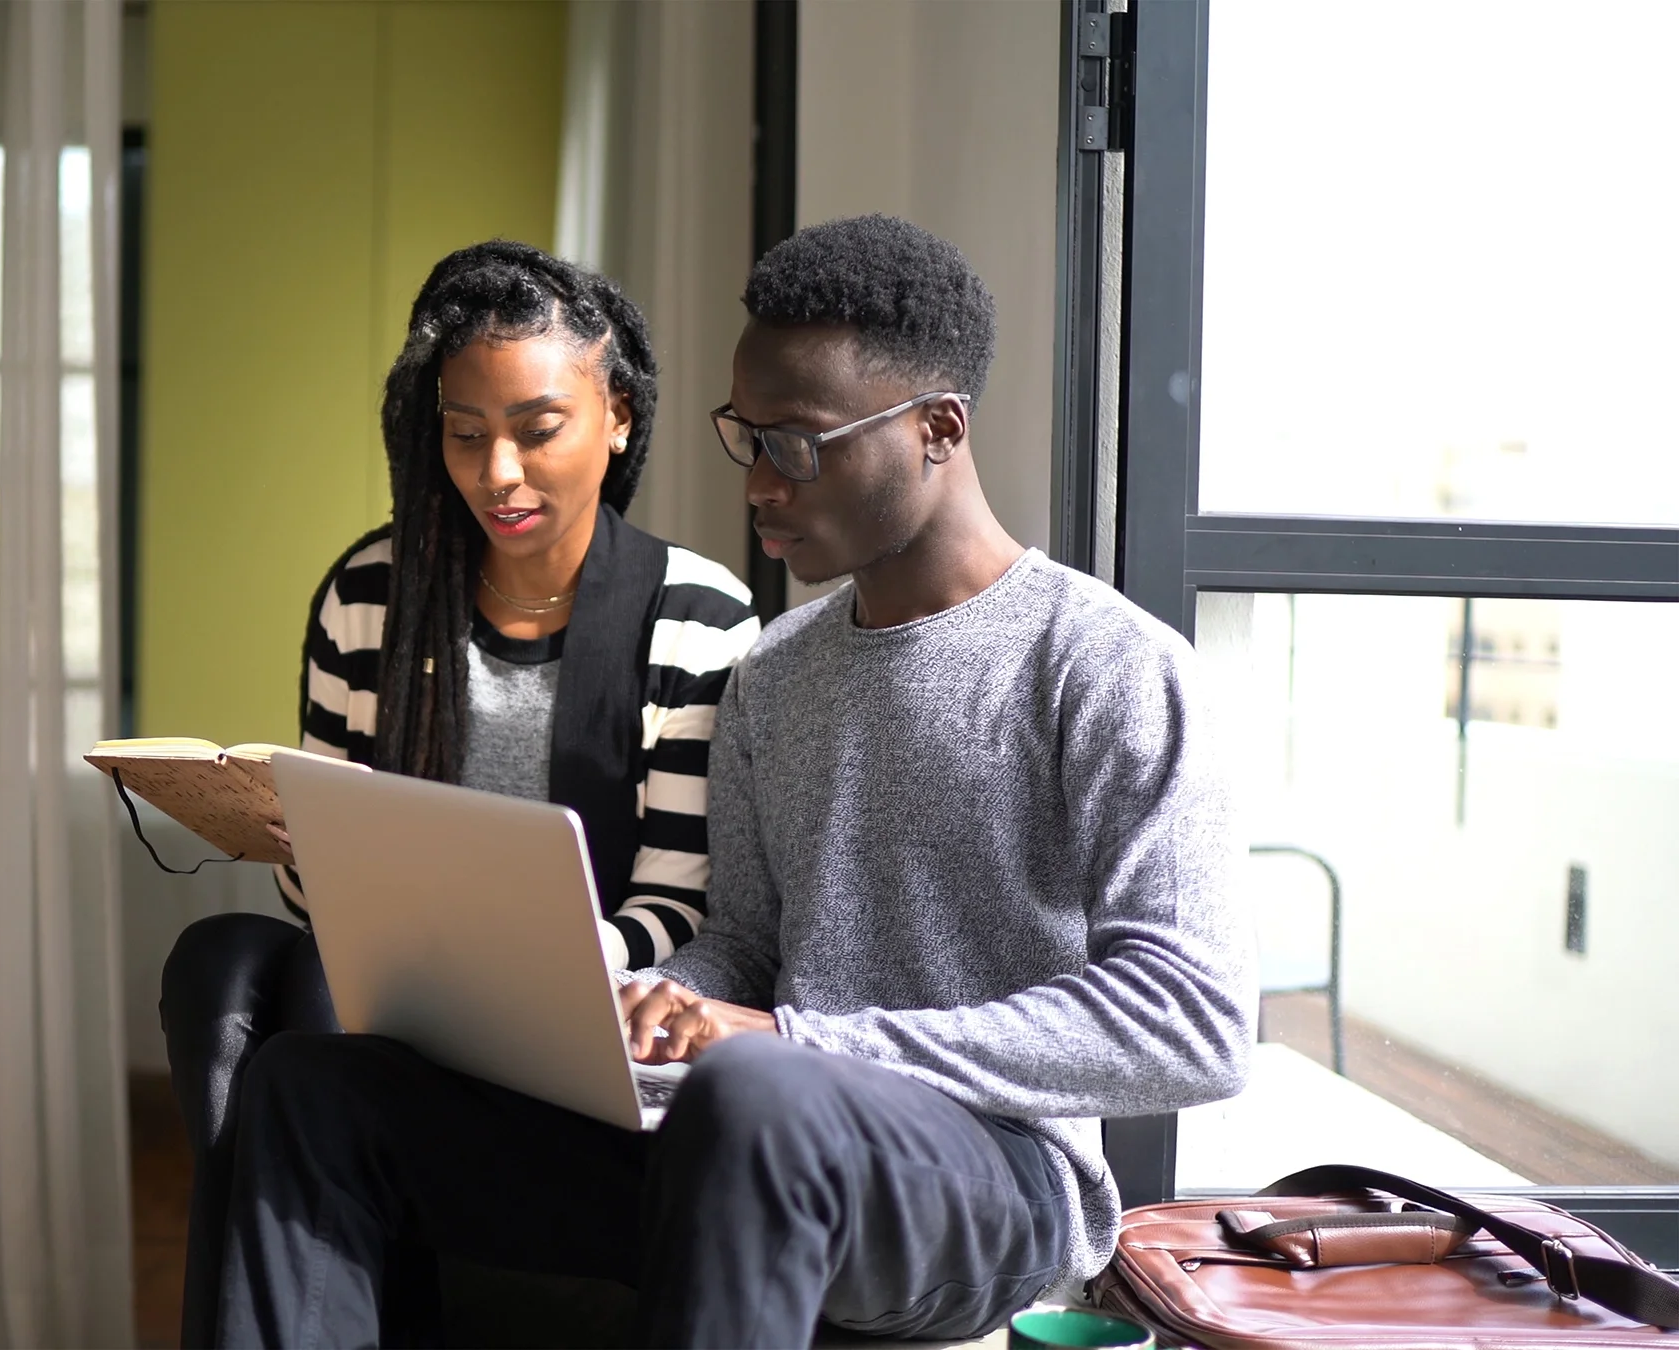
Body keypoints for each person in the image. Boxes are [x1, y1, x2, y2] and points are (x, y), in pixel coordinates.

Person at [214, 213, 1255, 1347]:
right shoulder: (775, 673)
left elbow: (1193, 1023)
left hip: (991, 1173)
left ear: (938, 429)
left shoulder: (1105, 666)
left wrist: (792, 1044)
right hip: (733, 1131)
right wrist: (660, 1007)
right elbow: (745, 945)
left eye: (794, 445)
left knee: (757, 1097)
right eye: (744, 437)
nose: (758, 483)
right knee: (312, 1092)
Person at [158, 240, 761, 1347]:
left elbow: (682, 906)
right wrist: (304, 843)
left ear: (616, 415)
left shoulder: (699, 616)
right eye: (464, 433)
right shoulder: (370, 593)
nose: (499, 475)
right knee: (234, 967)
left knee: (303, 1058)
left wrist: (527, 970)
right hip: (392, 1001)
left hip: (583, 1019)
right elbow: (322, 903)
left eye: (538, 431)